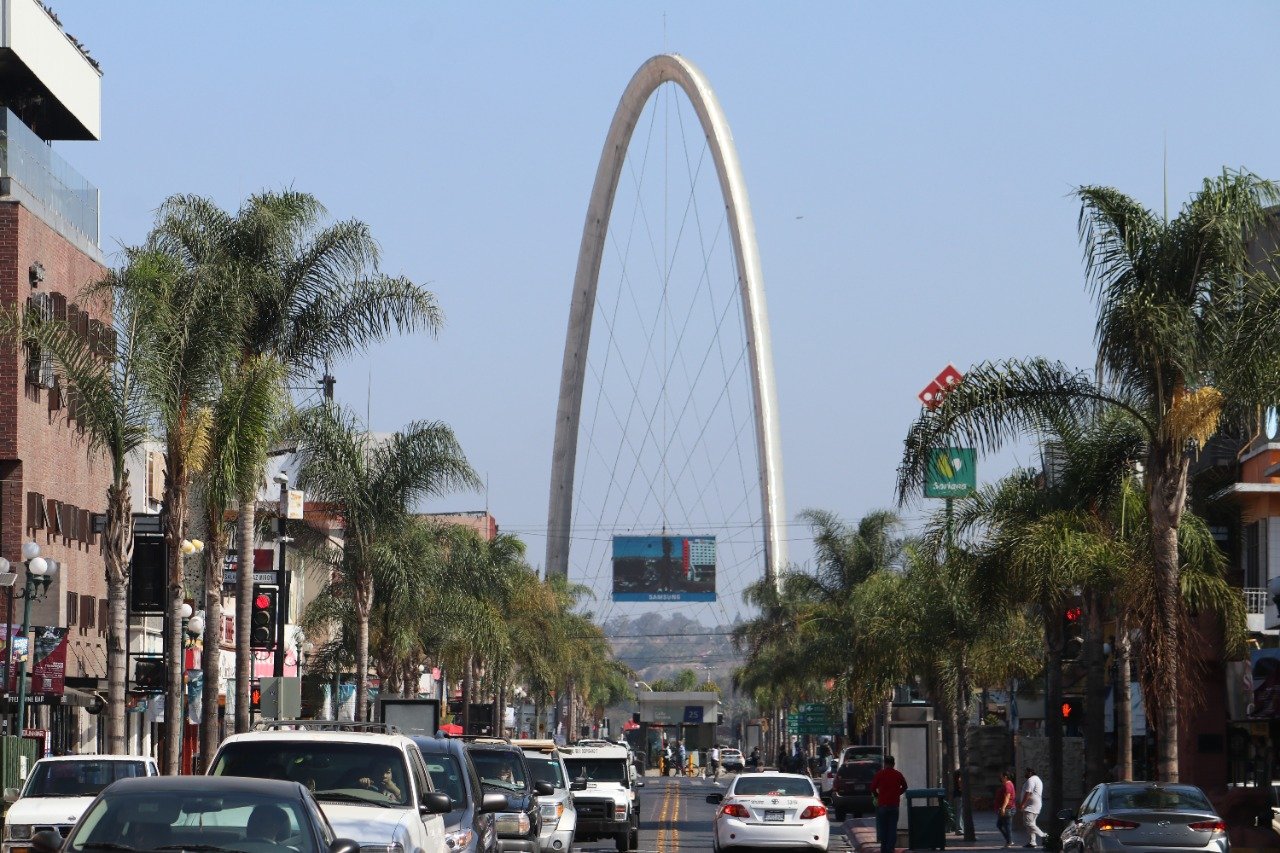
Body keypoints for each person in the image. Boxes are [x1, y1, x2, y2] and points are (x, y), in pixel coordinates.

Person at [870, 754, 908, 853]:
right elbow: (905, 786)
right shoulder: (898, 774)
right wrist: (898, 793)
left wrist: (878, 796)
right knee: (892, 828)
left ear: (885, 764)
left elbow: (872, 788)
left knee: (883, 828)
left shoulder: (879, 774)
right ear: (893, 764)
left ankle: (884, 848)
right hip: (894, 805)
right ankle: (890, 848)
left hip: (882, 805)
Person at [1019, 767, 1048, 848]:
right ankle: (1032, 842)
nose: (1024, 774)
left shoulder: (1031, 780)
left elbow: (1028, 792)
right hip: (1035, 805)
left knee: (1028, 823)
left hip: (1030, 806)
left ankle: (1044, 835)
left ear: (1030, 772)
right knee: (1031, 823)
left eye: (1026, 772)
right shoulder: (1037, 779)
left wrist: (1022, 804)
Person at [950, 768, 965, 835]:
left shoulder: (955, 776)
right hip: (959, 795)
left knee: (958, 812)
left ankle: (958, 828)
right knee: (959, 812)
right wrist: (962, 789)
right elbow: (960, 782)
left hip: (956, 795)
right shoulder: (959, 778)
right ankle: (959, 829)